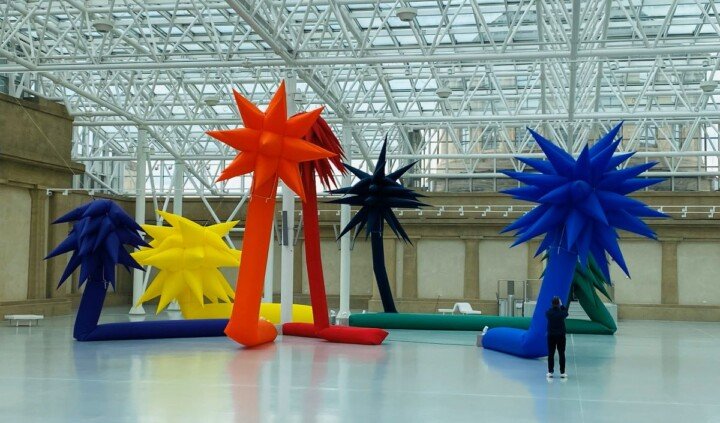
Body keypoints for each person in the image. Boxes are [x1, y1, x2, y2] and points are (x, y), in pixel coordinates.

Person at [546, 296, 569, 378]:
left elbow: (548, 312)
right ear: (559, 303)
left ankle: (550, 371)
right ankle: (562, 372)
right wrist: (562, 305)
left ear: (552, 303)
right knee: (561, 353)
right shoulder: (562, 313)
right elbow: (566, 313)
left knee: (551, 354)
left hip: (551, 335)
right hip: (561, 335)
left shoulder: (549, 313)